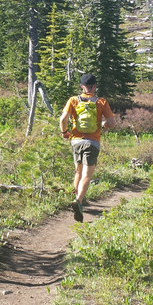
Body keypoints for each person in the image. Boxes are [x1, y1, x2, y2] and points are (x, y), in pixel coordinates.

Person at [59, 73, 116, 222]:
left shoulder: (73, 100)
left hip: (76, 141)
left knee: (78, 171)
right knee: (87, 175)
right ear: (95, 86)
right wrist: (103, 124)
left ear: (82, 87)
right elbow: (112, 122)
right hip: (92, 143)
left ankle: (77, 198)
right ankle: (78, 201)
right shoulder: (101, 102)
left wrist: (64, 132)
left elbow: (63, 119)